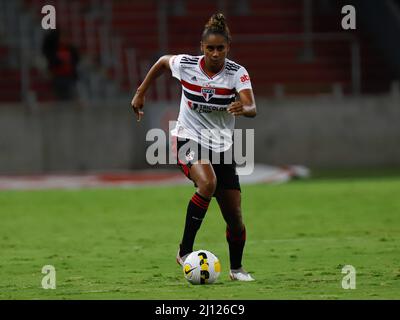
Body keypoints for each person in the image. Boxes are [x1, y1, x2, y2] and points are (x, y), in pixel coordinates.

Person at [131, 13, 257, 281]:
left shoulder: (237, 73)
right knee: (207, 184)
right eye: (209, 48)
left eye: (219, 48)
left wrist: (243, 108)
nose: (214, 53)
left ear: (228, 48)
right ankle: (184, 251)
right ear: (202, 47)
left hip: (222, 148)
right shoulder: (186, 65)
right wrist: (141, 92)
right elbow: (162, 62)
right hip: (187, 138)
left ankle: (236, 269)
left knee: (234, 216)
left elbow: (252, 106)